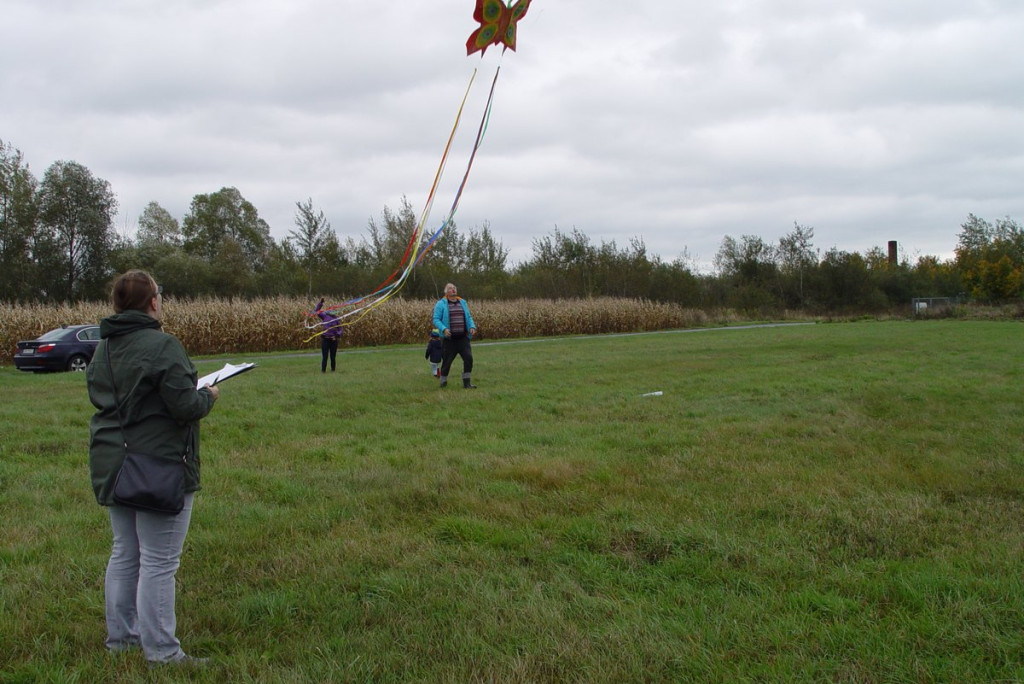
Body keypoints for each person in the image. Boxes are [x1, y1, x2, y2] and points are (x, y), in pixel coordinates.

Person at [87, 270, 219, 666]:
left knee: (125, 552)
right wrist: (209, 395)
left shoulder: (103, 349)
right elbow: (186, 405)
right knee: (159, 561)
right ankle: (162, 652)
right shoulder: (164, 345)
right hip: (157, 466)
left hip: (113, 462)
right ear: (153, 302)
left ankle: (121, 640)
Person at [431, 282, 477, 388]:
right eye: (450, 288)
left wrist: (472, 326)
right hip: (449, 340)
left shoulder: (463, 302)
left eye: (454, 288)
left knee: (469, 359)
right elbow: (436, 319)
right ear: (446, 292)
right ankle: (443, 382)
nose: (453, 289)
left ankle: (467, 383)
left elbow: (468, 317)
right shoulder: (441, 304)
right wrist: (444, 329)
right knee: (447, 362)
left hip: (463, 338)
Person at [315, 298, 343, 373]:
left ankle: (333, 370)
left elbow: (340, 329)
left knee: (333, 356)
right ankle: (323, 371)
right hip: (325, 339)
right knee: (325, 356)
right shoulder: (324, 316)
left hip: (333, 340)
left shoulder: (336, 319)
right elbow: (317, 311)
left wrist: (336, 335)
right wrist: (321, 303)